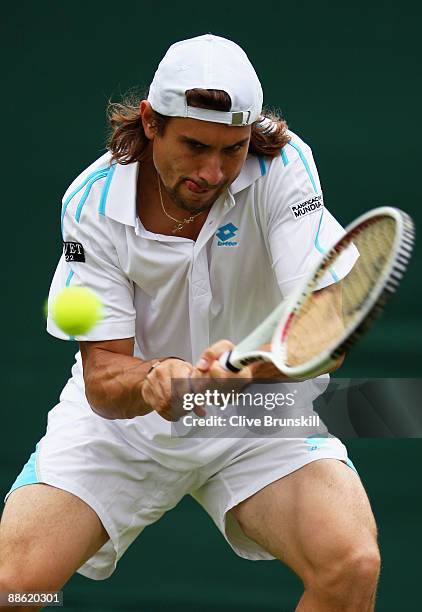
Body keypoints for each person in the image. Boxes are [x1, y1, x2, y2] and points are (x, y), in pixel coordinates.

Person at [0, 34, 380, 611]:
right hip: (124, 430)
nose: (214, 170)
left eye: (233, 149)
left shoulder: (284, 168)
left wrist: (247, 369)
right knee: (16, 588)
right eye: (196, 145)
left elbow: (326, 328)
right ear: (151, 122)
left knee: (350, 564)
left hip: (258, 412)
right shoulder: (91, 205)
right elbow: (104, 378)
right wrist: (159, 378)